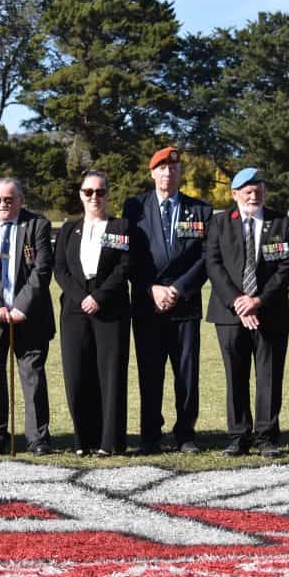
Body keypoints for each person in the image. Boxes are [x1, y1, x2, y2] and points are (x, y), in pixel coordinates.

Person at [123, 146, 212, 454]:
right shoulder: (134, 208)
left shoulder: (200, 210)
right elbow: (128, 256)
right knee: (150, 371)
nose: (167, 173)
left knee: (186, 373)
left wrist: (178, 289)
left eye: (173, 168)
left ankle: (185, 434)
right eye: (161, 168)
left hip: (184, 304)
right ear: (152, 173)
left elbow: (206, 258)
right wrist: (151, 288)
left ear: (179, 173)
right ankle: (150, 435)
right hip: (148, 304)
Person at [205, 168, 289, 458]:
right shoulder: (219, 224)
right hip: (229, 314)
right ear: (234, 194)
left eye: (258, 188)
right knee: (236, 375)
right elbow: (213, 265)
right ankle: (238, 436)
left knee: (269, 376)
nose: (253, 194)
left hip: (270, 312)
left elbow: (286, 267)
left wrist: (257, 301)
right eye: (246, 189)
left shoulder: (283, 223)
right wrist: (238, 301)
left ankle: (266, 436)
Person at [0, 177, 55, 457]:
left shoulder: (38, 225)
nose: (2, 205)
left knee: (33, 378)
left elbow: (42, 269)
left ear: (21, 199)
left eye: (9, 199)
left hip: (29, 317)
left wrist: (21, 306)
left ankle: (38, 438)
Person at [54, 170, 131, 457]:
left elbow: (125, 267)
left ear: (108, 194)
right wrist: (82, 297)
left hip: (110, 309)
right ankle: (83, 440)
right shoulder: (67, 230)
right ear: (81, 195)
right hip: (75, 310)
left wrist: (98, 297)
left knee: (110, 375)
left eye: (100, 192)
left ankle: (109, 442)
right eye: (88, 192)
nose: (94, 197)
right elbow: (60, 269)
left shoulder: (121, 227)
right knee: (77, 373)